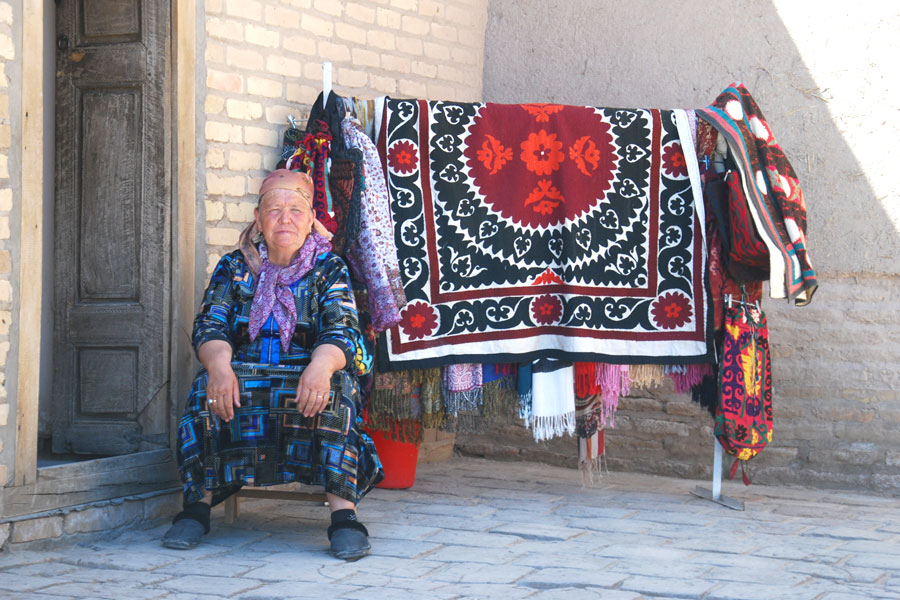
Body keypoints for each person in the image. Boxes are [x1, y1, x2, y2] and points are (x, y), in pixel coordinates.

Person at [162, 169, 383, 560]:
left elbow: (343, 329)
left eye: (296, 210)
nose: (285, 219)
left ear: (311, 217)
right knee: (204, 392)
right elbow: (210, 323)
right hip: (242, 369)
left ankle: (343, 516)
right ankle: (197, 507)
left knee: (334, 396)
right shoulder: (234, 267)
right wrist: (218, 367)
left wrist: (321, 366)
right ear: (258, 218)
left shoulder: (329, 268)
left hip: (310, 371)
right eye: (274, 210)